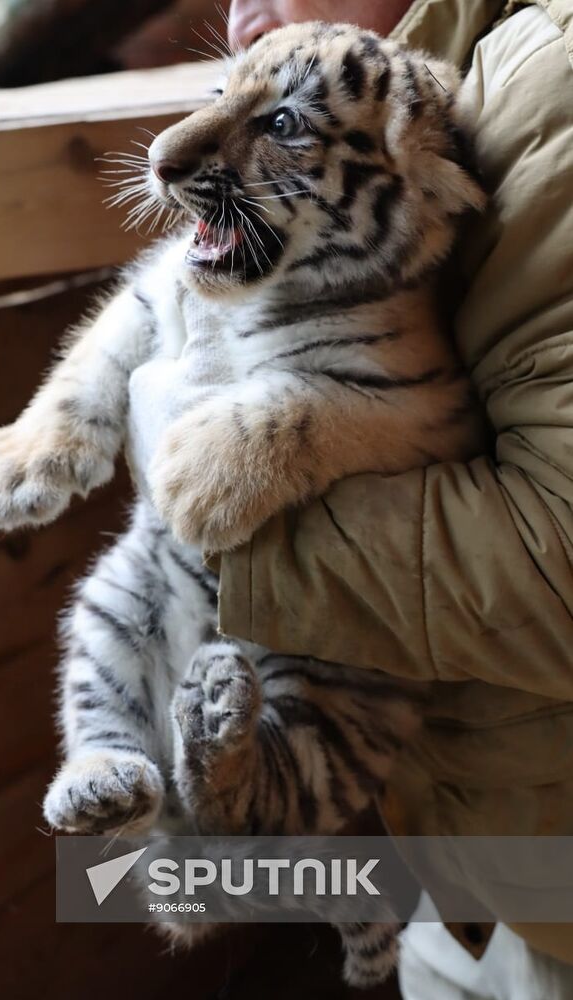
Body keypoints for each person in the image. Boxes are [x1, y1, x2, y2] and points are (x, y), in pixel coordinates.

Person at [218, 0, 573, 997]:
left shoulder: (552, 85)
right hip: (469, 874)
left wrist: (239, 540)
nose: (237, 13)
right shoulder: (409, 104)